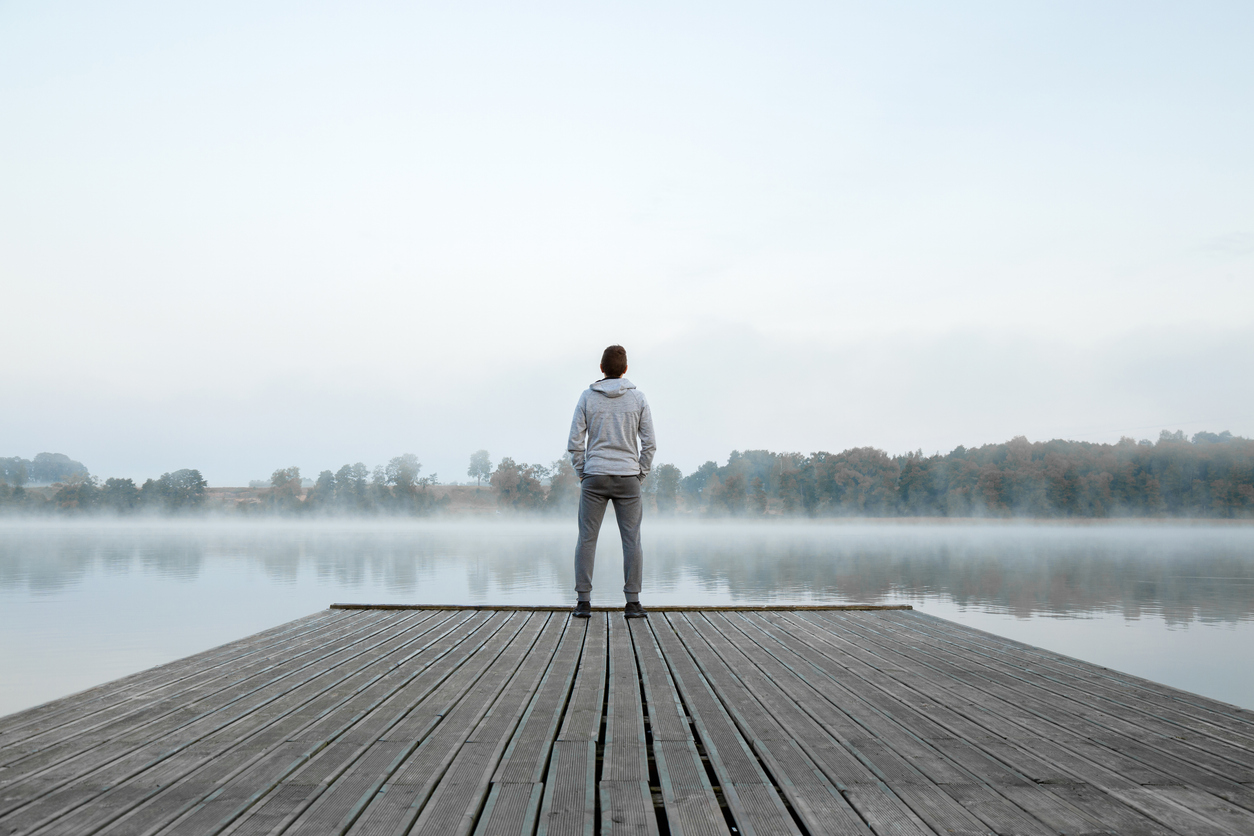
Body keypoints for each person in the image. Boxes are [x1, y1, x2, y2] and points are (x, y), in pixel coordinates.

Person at [567, 345, 656, 618]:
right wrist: (640, 473)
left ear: (602, 369)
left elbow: (574, 442)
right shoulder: (638, 399)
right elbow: (650, 443)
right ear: (625, 369)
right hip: (628, 478)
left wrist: (584, 472)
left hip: (594, 476)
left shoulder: (587, 398)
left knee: (586, 539)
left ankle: (583, 603)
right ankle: (633, 603)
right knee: (632, 541)